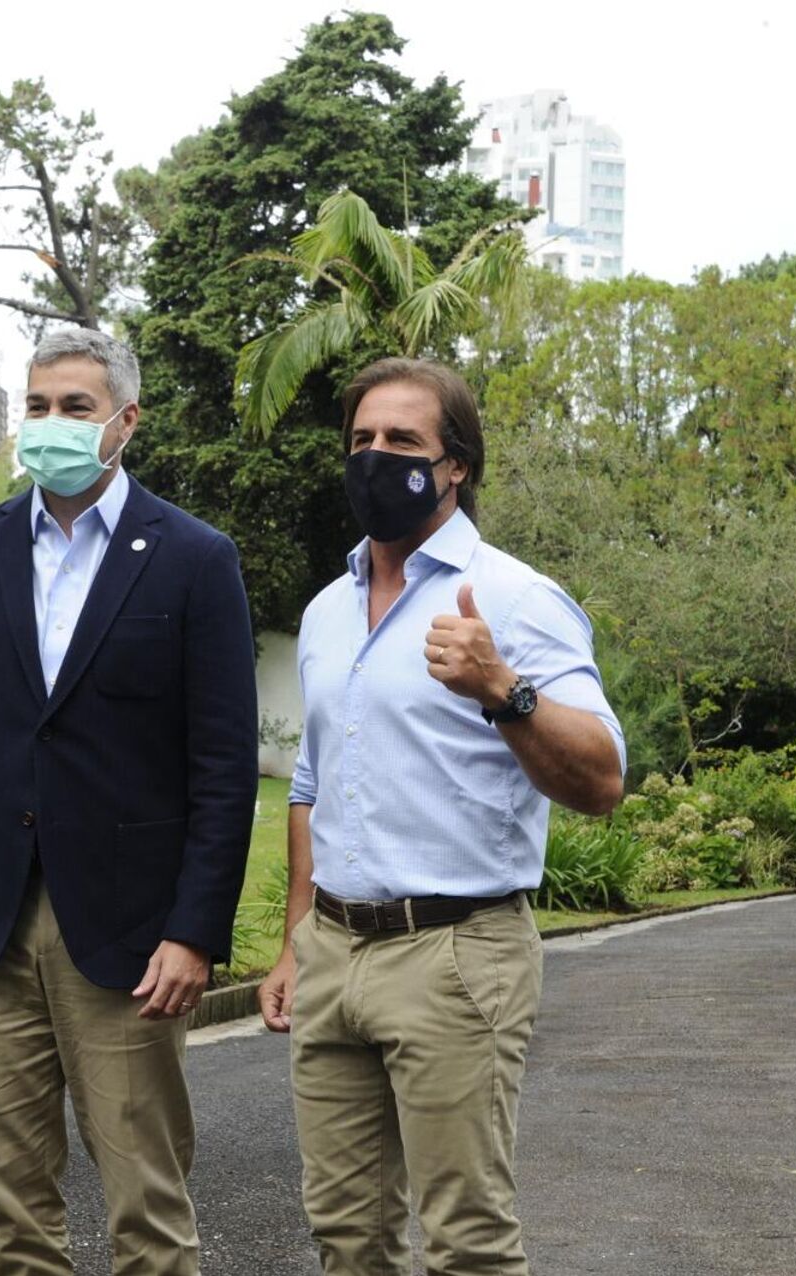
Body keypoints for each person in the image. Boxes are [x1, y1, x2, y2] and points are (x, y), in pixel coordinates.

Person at [0, 327, 259, 1275]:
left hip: (128, 935)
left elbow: (223, 766)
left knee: (148, 1203)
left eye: (75, 408)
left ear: (125, 421)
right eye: (37, 406)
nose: (51, 424)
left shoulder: (195, 559)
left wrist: (196, 931)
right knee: (9, 1201)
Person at [259, 358, 625, 1276]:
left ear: (456, 464)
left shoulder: (512, 599)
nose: (376, 456)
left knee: (466, 1242)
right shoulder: (327, 611)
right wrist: (297, 933)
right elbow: (312, 777)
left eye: (404, 442)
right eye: (362, 439)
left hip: (456, 954)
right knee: (346, 1237)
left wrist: (503, 687)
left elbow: (603, 781)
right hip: (336, 951)